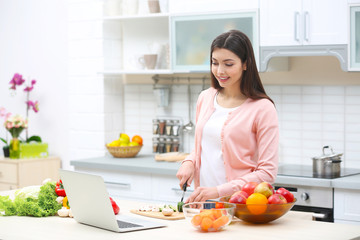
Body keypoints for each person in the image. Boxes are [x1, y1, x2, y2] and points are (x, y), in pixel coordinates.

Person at [176, 30, 279, 203]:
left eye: (228, 64)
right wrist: (189, 162)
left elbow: (267, 173)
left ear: (245, 64)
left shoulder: (263, 108)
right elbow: (204, 145)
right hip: (204, 205)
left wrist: (218, 191)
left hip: (241, 206)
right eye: (214, 63)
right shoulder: (205, 97)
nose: (220, 71)